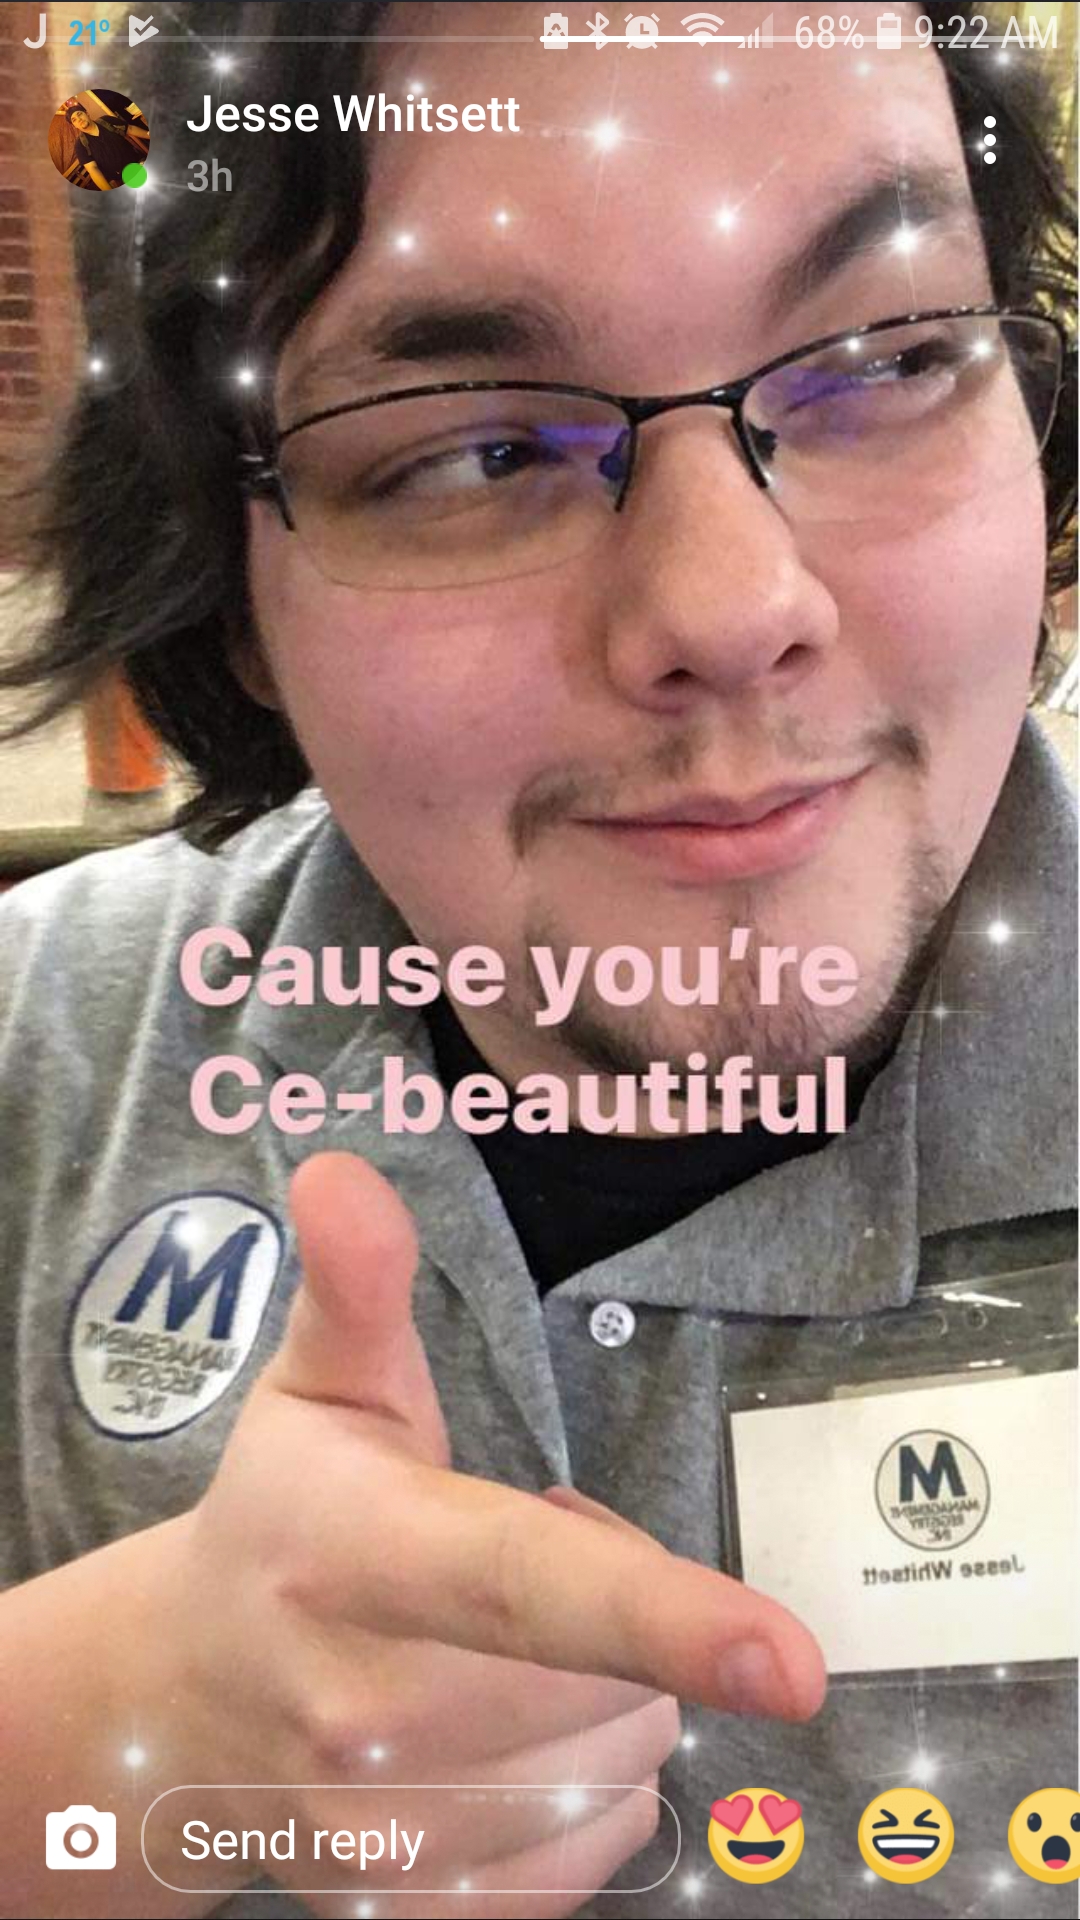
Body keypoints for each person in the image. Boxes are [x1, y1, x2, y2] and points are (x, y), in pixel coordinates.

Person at [0, 2, 1075, 1916]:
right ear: (234, 600)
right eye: (478, 451)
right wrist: (101, 1729)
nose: (734, 606)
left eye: (892, 357)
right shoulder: (40, 1049)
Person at [64, 102, 146, 191]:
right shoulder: (80, 145)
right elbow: (92, 169)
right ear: (74, 126)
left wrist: (150, 135)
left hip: (138, 162)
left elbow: (130, 129)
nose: (79, 119)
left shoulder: (107, 121)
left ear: (87, 113)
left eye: (79, 114)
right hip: (123, 179)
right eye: (74, 120)